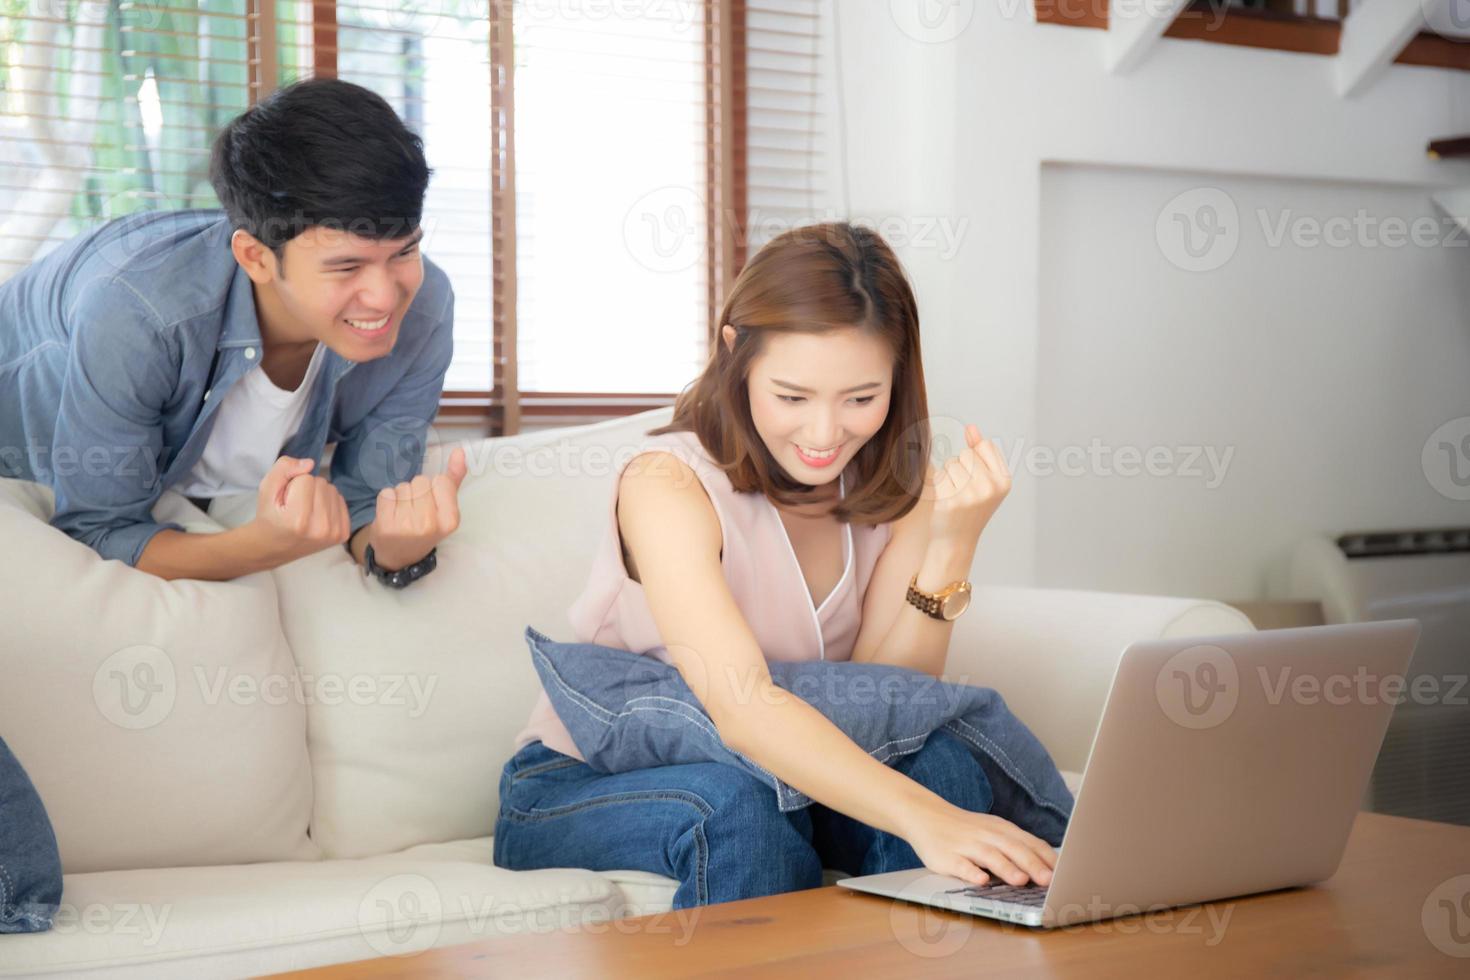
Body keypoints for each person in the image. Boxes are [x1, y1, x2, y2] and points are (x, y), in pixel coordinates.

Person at [495, 222, 1057, 909]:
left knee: (941, 767)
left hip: (779, 775)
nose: (826, 435)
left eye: (860, 398)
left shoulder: (892, 489)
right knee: (735, 810)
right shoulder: (667, 486)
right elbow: (742, 707)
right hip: (583, 782)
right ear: (736, 353)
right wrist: (922, 819)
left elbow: (891, 698)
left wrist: (951, 543)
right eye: (793, 396)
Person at [0, 77, 466, 586]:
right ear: (255, 257)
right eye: (347, 267)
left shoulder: (425, 308)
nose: (385, 295)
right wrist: (264, 545)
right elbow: (100, 531)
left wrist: (397, 552)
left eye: (404, 250)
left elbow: (369, 504)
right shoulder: (139, 315)